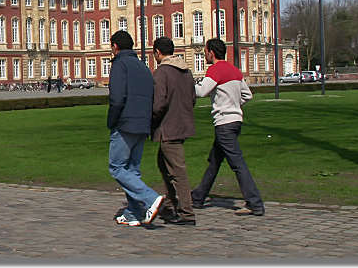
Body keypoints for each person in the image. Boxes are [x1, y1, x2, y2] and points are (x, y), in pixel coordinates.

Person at [191, 38, 265, 216]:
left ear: (211, 52)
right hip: (235, 120)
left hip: (224, 122)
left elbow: (201, 91)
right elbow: (248, 95)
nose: (205, 54)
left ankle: (255, 203)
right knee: (214, 162)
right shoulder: (234, 70)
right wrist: (234, 104)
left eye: (206, 51)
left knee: (237, 164)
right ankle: (198, 197)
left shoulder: (216, 69)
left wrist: (185, 85)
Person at [107, 30, 165, 227]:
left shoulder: (119, 65)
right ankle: (134, 212)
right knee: (132, 170)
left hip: (125, 123)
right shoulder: (143, 66)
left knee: (116, 167)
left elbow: (116, 99)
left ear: (115, 46)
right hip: (143, 124)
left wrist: (112, 121)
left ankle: (151, 198)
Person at [150, 37, 197, 226]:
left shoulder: (162, 73)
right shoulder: (186, 71)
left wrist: (151, 119)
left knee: (177, 171)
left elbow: (158, 103)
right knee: (163, 165)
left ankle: (187, 213)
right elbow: (192, 97)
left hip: (168, 127)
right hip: (182, 124)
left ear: (158, 53)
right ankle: (170, 205)